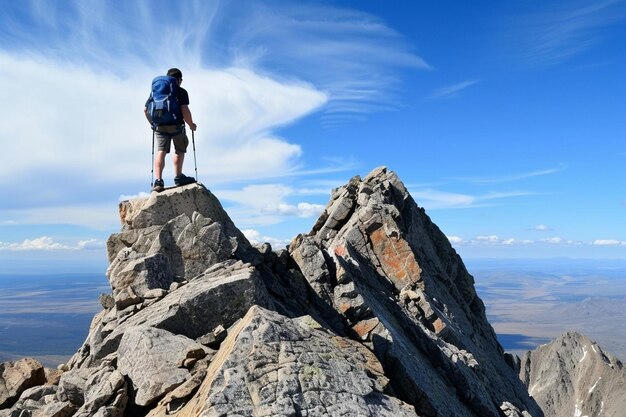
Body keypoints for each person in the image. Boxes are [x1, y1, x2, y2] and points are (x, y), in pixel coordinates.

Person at [144, 68, 197, 192]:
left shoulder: (155, 92)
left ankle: (158, 181)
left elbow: (146, 110)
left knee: (161, 151)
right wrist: (191, 125)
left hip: (160, 126)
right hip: (177, 125)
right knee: (179, 149)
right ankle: (178, 177)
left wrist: (153, 124)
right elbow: (185, 111)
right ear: (179, 79)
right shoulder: (181, 91)